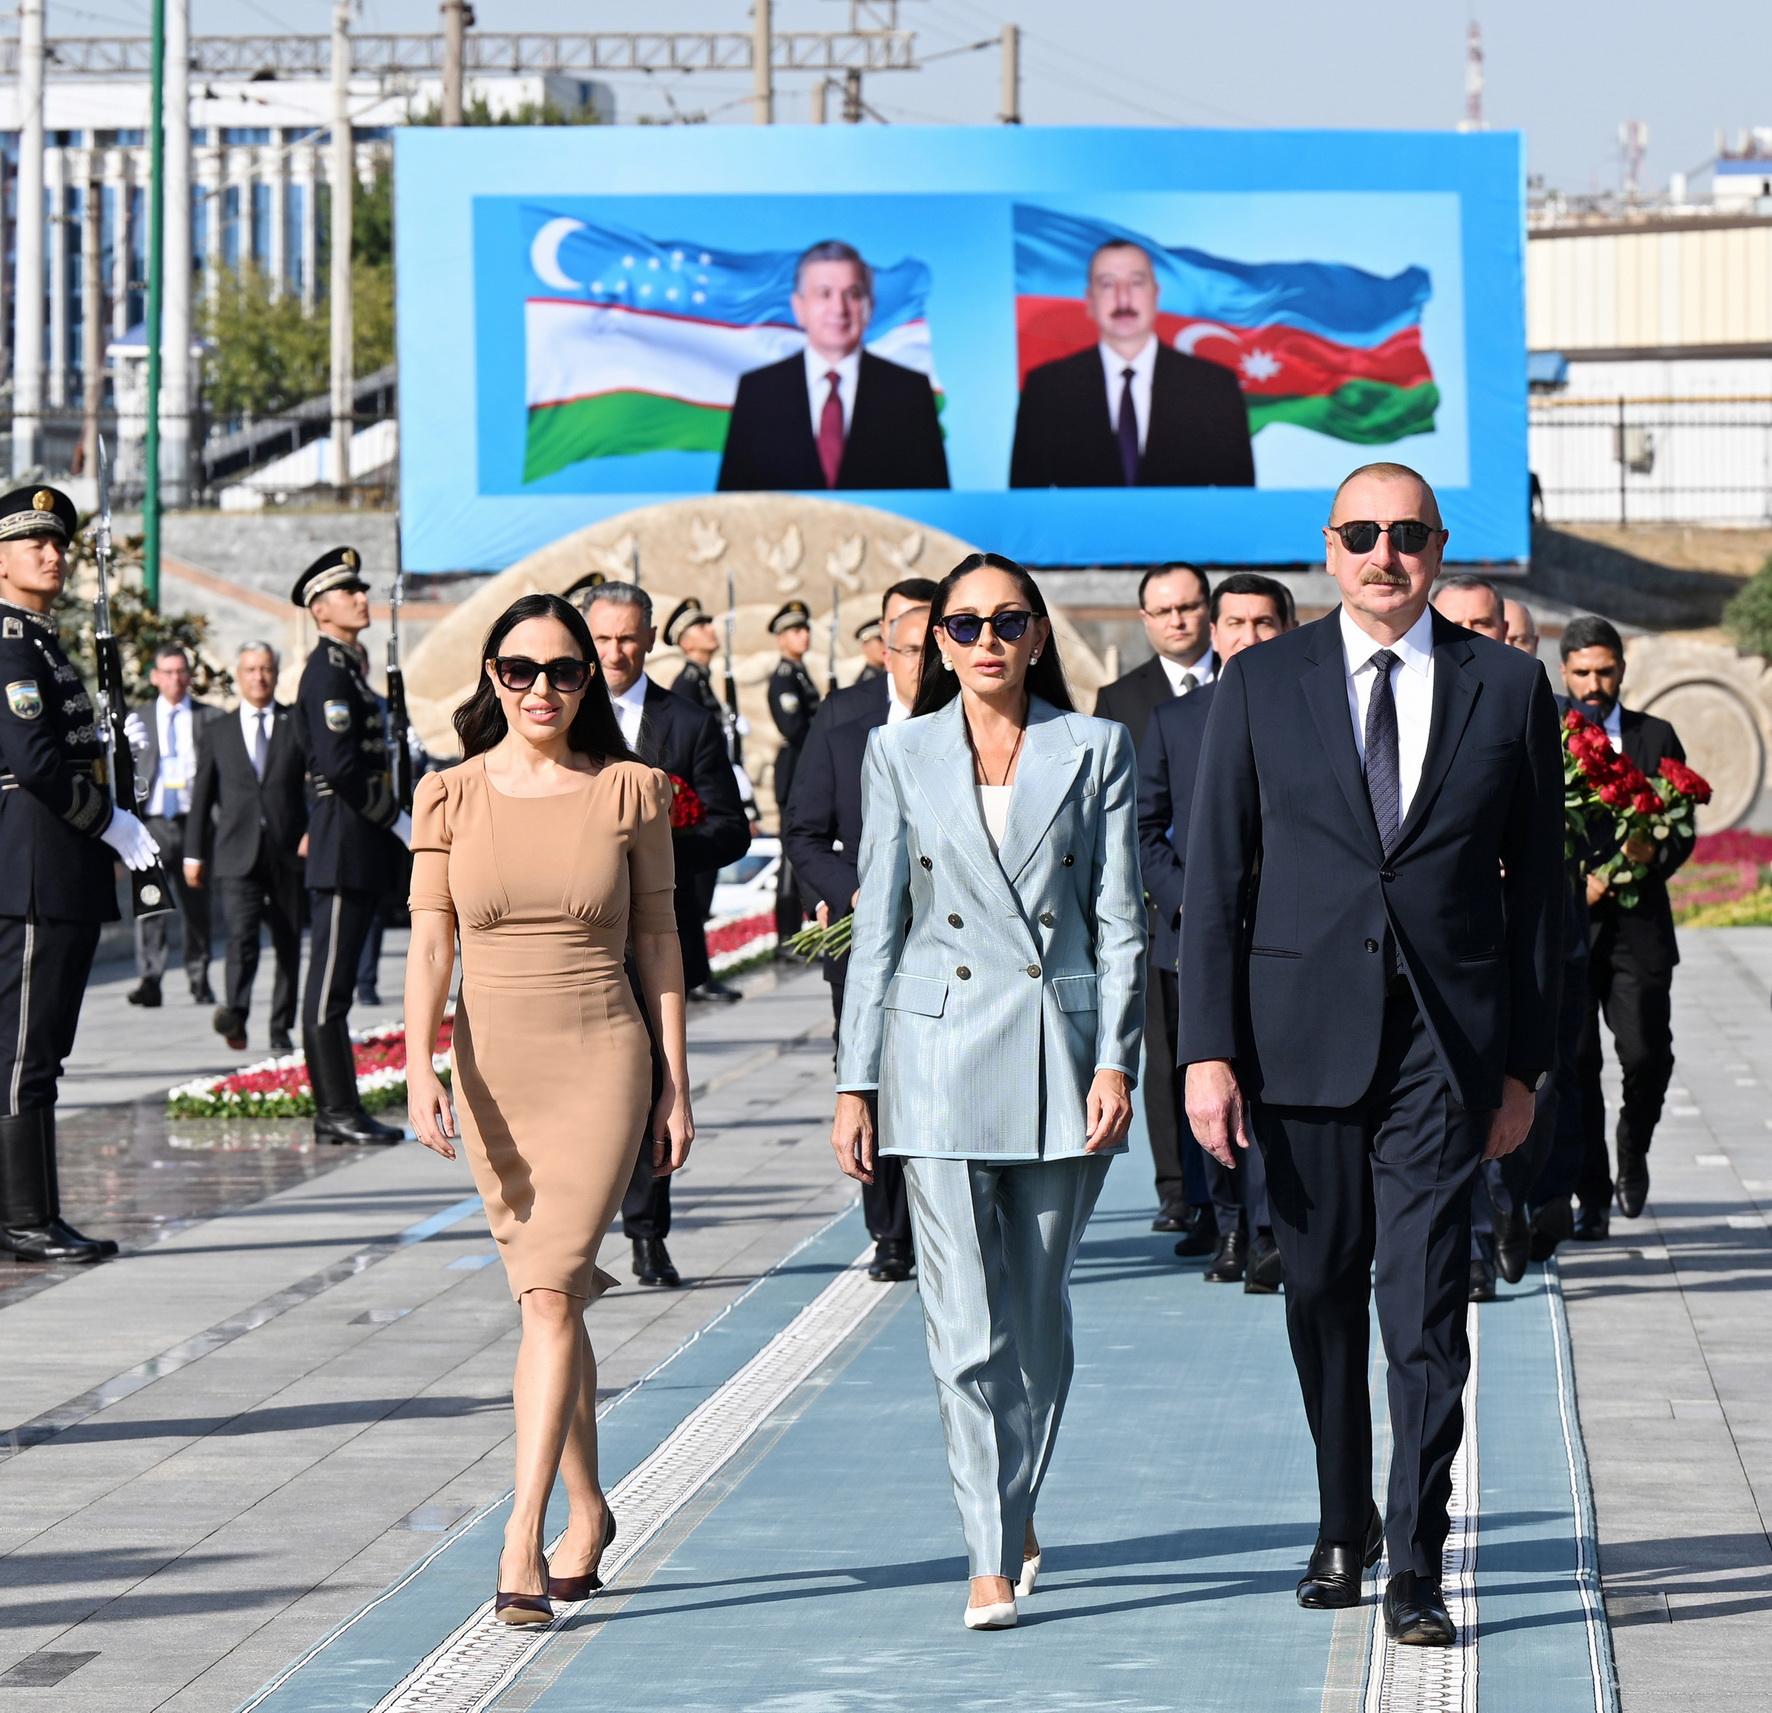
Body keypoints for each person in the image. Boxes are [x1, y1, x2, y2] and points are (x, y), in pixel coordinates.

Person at [1180, 463, 1562, 1647]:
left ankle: (1415, 1556)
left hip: (1442, 1054)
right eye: (1360, 534)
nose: (1382, 554)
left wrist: (1522, 1069)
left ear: (1438, 548)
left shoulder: (1505, 687)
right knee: (1316, 1293)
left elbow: (1540, 893)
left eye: (1405, 534)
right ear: (1328, 550)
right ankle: (1339, 1520)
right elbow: (1215, 880)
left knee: (1426, 1307)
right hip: (1296, 1046)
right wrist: (1206, 1054)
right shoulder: (1258, 684)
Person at [830, 552, 1144, 1631]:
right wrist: (854, 1079)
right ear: (935, 643)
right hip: (934, 1055)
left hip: (1058, 1058)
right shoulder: (897, 752)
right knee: (961, 1325)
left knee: (1039, 1319)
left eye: (1005, 620)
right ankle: (987, 1554)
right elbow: (877, 925)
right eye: (959, 626)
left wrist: (1116, 1059)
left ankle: (1015, 1503)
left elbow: (1117, 921)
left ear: (1038, 633)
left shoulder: (1095, 747)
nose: (982, 640)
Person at [404, 592, 691, 1627]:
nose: (541, 689)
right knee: (547, 1300)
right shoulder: (446, 796)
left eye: (563, 672)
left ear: (589, 683)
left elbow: (659, 943)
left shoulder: (630, 791)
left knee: (551, 1292)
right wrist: (422, 1063)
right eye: (520, 670)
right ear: (491, 677)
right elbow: (430, 939)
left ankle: (518, 1539)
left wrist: (677, 1081)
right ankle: (585, 1506)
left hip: (599, 1057)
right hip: (492, 1068)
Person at [0, 484, 158, 1264]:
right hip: (31, 870)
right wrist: (109, 819)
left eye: (58, 542)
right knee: (23, 1055)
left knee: (41, 1053)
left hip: (58, 869)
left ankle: (34, 1214)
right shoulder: (7, 641)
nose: (53, 553)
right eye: (35, 543)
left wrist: (109, 745)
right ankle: (24, 1219)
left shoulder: (44, 641)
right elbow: (30, 761)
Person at [585, 581, 750, 1285]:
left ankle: (647, 1232)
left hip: (657, 928)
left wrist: (663, 843)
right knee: (580, 1089)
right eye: (601, 638)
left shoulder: (686, 722)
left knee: (654, 1078)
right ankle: (577, 1233)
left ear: (650, 639)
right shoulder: (552, 713)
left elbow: (731, 828)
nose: (615, 652)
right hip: (578, 935)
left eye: (627, 637)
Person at [1137, 573, 1294, 1290]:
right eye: (1236, 623)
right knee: (1208, 1081)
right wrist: (1191, 903)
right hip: (1196, 939)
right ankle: (1228, 1226)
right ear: (1214, 630)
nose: (1249, 637)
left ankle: (1274, 1230)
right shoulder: (1177, 720)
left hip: (1291, 943)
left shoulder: (1314, 713)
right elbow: (1143, 831)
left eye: (1265, 624)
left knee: (1282, 1094)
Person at [785, 596, 930, 1283]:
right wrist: (857, 892)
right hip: (865, 938)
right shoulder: (847, 730)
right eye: (912, 650)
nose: (926, 664)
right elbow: (805, 833)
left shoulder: (984, 729)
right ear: (885, 653)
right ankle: (890, 1229)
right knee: (871, 1079)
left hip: (954, 946)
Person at [1094, 562, 1215, 1247]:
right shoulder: (1120, 699)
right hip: (1156, 908)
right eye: (1163, 609)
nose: (1178, 619)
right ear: (1144, 619)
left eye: (1189, 606)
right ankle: (1177, 1188)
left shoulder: (1247, 682)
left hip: (1242, 909)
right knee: (1165, 1051)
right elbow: (1111, 812)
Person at [1560, 615, 1693, 1236]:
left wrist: (1642, 860)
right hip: (1568, 930)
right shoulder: (1547, 735)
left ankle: (1633, 1145)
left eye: (1604, 670)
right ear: (1564, 672)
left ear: (1621, 669)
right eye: (1582, 672)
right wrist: (1574, 884)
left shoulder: (1655, 734)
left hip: (1639, 931)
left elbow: (1681, 827)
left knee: (1646, 1055)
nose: (1594, 683)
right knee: (1578, 1066)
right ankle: (1593, 1194)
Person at [292, 547, 410, 1148]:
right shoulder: (328, 674)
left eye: (361, 589)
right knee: (330, 989)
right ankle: (335, 1108)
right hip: (343, 841)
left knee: (335, 987)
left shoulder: (351, 671)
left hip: (358, 843)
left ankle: (341, 1107)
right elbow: (339, 765)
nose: (362, 598)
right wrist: (397, 818)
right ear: (320, 608)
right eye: (348, 592)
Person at [1010, 239, 1255, 489]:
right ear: (1089, 301)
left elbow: (1237, 509)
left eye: (1136, 283)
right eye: (1107, 284)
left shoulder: (1214, 388)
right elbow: (1024, 508)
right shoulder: (1046, 390)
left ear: (1155, 295)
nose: (1123, 298)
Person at [717, 239, 949, 492]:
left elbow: (935, 509)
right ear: (799, 308)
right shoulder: (758, 392)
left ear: (869, 307)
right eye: (824, 294)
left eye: (853, 294)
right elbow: (731, 508)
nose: (838, 308)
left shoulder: (910, 392)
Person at [184, 642, 308, 1054]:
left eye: (266, 669)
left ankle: (280, 1026)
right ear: (239, 675)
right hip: (236, 853)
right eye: (251, 669)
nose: (259, 676)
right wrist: (193, 853)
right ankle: (235, 1014)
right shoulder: (218, 731)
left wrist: (313, 832)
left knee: (288, 941)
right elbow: (201, 796)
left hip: (288, 850)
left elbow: (314, 786)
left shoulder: (296, 723)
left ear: (276, 673)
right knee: (241, 937)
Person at [124, 644, 221, 1009]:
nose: (175, 679)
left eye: (181, 672)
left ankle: (199, 977)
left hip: (194, 822)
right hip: (152, 822)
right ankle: (150, 979)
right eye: (167, 672)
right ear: (154, 677)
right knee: (151, 903)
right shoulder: (140, 717)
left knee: (197, 905)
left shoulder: (208, 718)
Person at [768, 600, 820, 947]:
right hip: (795, 772)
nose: (804, 635)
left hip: (806, 769)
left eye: (805, 629)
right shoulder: (785, 678)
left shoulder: (801, 674)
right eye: (795, 630)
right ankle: (787, 933)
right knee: (792, 855)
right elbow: (795, 727)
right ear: (781, 639)